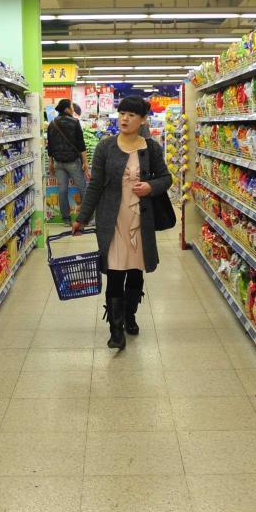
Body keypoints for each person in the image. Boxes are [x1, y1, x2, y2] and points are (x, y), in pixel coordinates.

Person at [73, 97, 173, 350]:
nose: (125, 119)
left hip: (141, 220)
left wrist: (150, 186)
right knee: (116, 273)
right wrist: (82, 218)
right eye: (122, 113)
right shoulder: (106, 147)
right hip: (113, 220)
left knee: (136, 271)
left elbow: (166, 178)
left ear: (142, 120)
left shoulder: (151, 148)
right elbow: (95, 185)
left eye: (131, 114)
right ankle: (116, 329)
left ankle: (130, 315)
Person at [46, 98, 87, 227]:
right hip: (72, 162)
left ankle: (66, 220)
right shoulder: (75, 122)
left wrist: (51, 163)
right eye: (71, 106)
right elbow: (81, 145)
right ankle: (87, 217)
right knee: (82, 188)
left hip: (58, 163)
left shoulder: (52, 123)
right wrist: (85, 162)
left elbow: (50, 146)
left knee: (62, 190)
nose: (73, 109)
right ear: (67, 109)